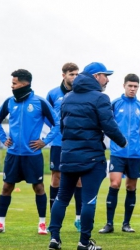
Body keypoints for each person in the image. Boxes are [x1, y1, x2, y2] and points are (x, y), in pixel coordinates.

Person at [48, 62, 127, 250]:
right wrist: (122, 142)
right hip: (91, 158)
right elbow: (109, 125)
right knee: (88, 200)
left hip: (67, 156)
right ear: (95, 76)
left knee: (61, 198)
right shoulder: (101, 98)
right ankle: (84, 242)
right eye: (105, 75)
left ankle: (54, 239)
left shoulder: (67, 98)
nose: (107, 80)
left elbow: (63, 126)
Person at [0, 69, 60, 235]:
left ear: (24, 84)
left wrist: (45, 141)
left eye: (14, 83)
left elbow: (57, 123)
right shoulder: (9, 102)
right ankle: (0, 224)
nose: (12, 86)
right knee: (6, 187)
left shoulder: (40, 102)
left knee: (39, 187)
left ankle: (42, 224)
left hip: (33, 155)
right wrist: (3, 138)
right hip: (13, 154)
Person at [98, 74, 140, 234]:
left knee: (131, 187)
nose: (132, 89)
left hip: (134, 154)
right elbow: (108, 125)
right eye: (130, 86)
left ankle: (126, 223)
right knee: (114, 184)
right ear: (124, 86)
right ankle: (109, 223)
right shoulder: (114, 104)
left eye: (135, 86)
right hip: (118, 152)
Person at [46, 63, 83, 231]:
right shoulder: (53, 94)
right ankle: (53, 219)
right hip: (58, 143)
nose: (75, 77)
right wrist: (56, 130)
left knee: (80, 179)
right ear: (64, 75)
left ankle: (79, 218)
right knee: (56, 177)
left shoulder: (81, 93)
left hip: (76, 142)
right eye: (71, 74)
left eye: (77, 74)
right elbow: (46, 115)